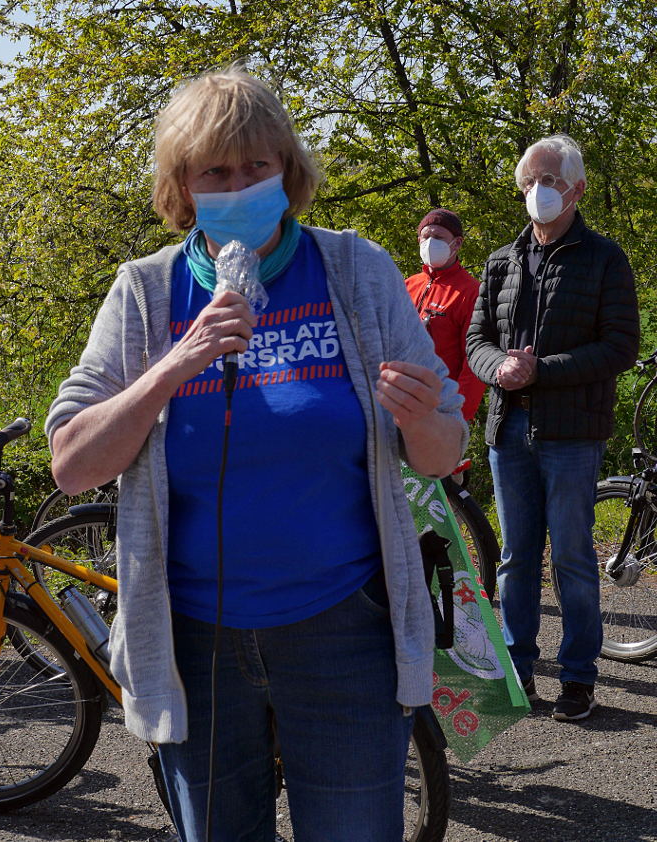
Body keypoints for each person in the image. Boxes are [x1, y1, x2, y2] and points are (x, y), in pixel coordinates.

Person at [45, 68, 467, 841]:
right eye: (215, 171)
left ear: (288, 171)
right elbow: (72, 463)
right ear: (182, 185)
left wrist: (423, 419)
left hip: (343, 630)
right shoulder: (145, 292)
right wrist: (176, 365)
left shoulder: (357, 270)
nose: (238, 185)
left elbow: (441, 451)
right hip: (194, 641)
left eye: (256, 167)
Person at [466, 134, 639, 722]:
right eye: (529, 182)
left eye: (549, 181)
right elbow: (476, 343)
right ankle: (517, 668)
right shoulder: (501, 261)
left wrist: (541, 372)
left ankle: (577, 678)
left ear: (577, 190)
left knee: (571, 558)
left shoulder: (605, 258)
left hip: (573, 434)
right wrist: (503, 370)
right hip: (508, 431)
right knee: (515, 557)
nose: (537, 192)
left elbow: (620, 346)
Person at [405, 208, 486, 422]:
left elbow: (474, 361)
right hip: (400, 402)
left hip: (440, 409)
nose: (431, 243)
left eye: (439, 237)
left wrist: (459, 414)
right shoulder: (408, 285)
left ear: (457, 243)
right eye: (426, 237)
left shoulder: (471, 292)